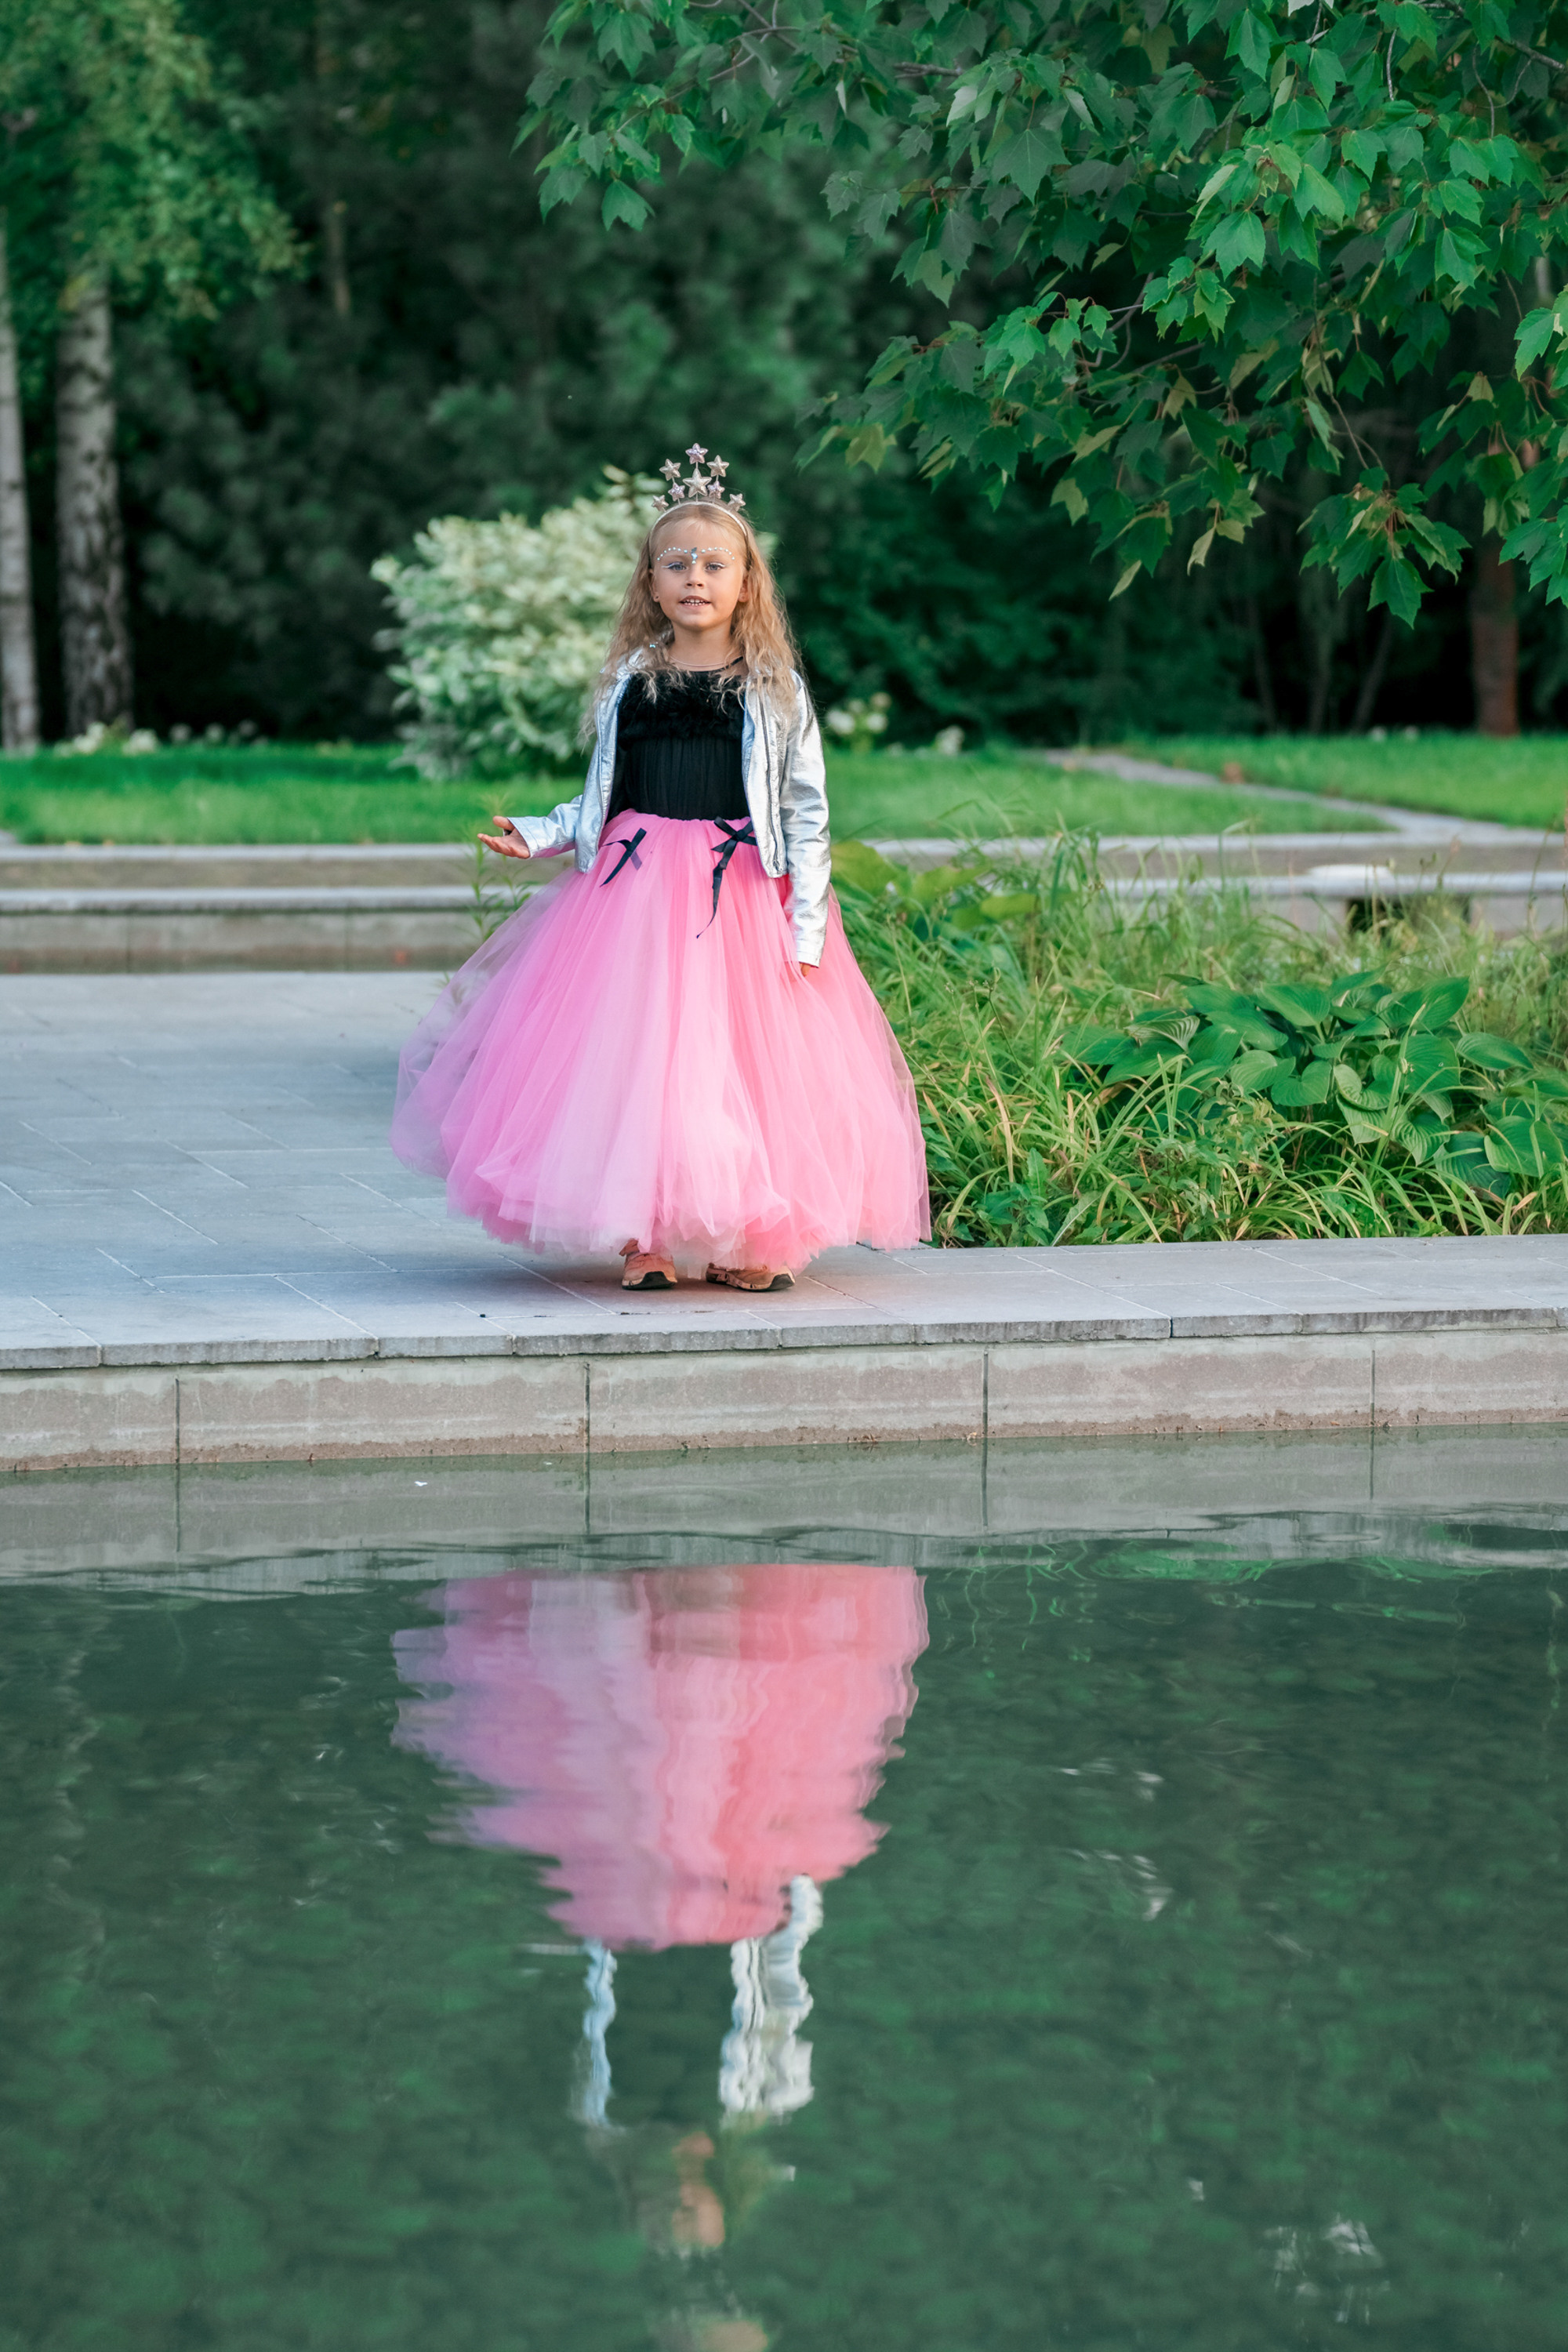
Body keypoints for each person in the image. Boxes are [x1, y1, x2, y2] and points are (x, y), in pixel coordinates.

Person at [390, 445, 929, 1290]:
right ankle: (644, 1235)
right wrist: (540, 833)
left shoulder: (774, 687)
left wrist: (807, 927)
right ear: (650, 582)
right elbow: (604, 793)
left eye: (714, 565)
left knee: (739, 1067)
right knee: (637, 1063)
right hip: (634, 895)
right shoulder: (631, 680)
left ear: (746, 584)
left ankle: (747, 1234)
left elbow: (806, 813)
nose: (695, 578)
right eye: (675, 564)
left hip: (738, 894)